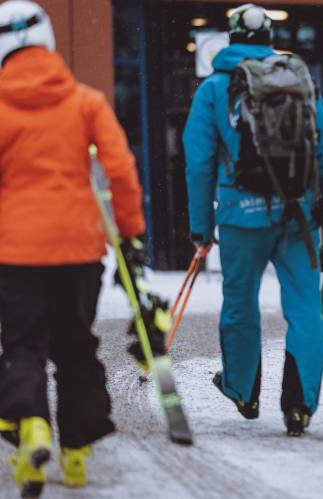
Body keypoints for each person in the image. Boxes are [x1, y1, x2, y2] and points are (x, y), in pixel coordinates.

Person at [0, 0, 145, 496]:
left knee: (23, 347)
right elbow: (120, 168)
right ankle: (77, 451)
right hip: (79, 249)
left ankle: (31, 428)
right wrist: (130, 231)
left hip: (14, 251)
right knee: (75, 346)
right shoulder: (85, 101)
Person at [183, 3, 323, 437]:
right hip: (299, 213)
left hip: (241, 216)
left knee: (240, 306)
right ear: (270, 39)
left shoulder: (214, 89)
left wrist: (201, 228)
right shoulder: (298, 80)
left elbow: (198, 163)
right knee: (306, 307)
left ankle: (242, 390)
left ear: (230, 39)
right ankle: (299, 404)